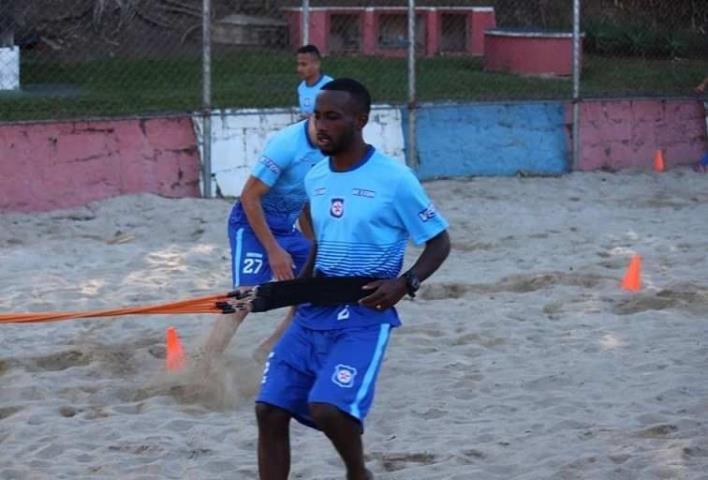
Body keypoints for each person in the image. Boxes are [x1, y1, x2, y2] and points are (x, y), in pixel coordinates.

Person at [255, 78, 451, 480]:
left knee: (327, 408)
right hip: (314, 311)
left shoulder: (394, 179)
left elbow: (439, 242)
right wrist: (296, 292)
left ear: (360, 120)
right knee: (269, 410)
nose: (320, 126)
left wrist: (406, 282)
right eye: (316, 116)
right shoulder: (316, 178)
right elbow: (319, 243)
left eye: (332, 117)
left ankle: (358, 474)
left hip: (363, 313)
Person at [202, 116, 324, 360]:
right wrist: (274, 251)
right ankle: (202, 363)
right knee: (245, 297)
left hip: (285, 230)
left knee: (315, 287)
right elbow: (249, 197)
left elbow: (305, 205)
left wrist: (314, 250)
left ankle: (266, 352)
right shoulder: (287, 145)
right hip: (249, 224)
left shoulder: (330, 149)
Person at [296, 44, 333, 117]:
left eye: (304, 65)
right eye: (298, 64)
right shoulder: (301, 88)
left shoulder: (330, 86)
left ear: (317, 64)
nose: (299, 69)